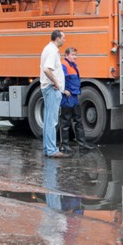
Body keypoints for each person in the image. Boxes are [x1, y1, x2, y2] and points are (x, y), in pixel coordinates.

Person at [40, 30, 70, 158]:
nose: (65, 40)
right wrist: (56, 82)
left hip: (47, 88)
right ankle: (52, 150)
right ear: (57, 38)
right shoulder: (52, 51)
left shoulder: (47, 48)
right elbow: (47, 69)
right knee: (52, 121)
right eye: (63, 38)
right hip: (52, 89)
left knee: (47, 120)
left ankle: (48, 148)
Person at [59, 47, 94, 152]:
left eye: (75, 55)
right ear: (66, 55)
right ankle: (65, 145)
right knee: (65, 122)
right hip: (67, 97)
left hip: (74, 96)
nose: (75, 57)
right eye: (73, 55)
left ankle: (82, 145)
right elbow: (60, 79)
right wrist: (64, 90)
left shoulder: (73, 65)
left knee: (78, 121)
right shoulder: (63, 65)